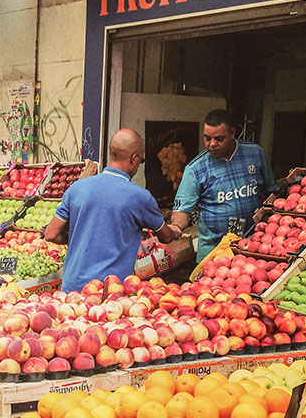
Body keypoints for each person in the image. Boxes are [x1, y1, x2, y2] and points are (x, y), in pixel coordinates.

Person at [44, 129, 179, 291]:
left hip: (71, 288)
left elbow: (50, 234)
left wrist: (84, 236)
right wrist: (174, 231)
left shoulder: (77, 188)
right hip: (108, 292)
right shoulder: (140, 197)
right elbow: (165, 237)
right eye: (141, 160)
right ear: (134, 158)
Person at [170, 109, 276, 261]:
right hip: (214, 252)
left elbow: (272, 192)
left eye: (219, 138)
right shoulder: (196, 168)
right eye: (207, 138)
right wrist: (176, 226)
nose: (212, 144)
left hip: (254, 247)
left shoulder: (255, 153)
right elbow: (182, 210)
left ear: (233, 133)